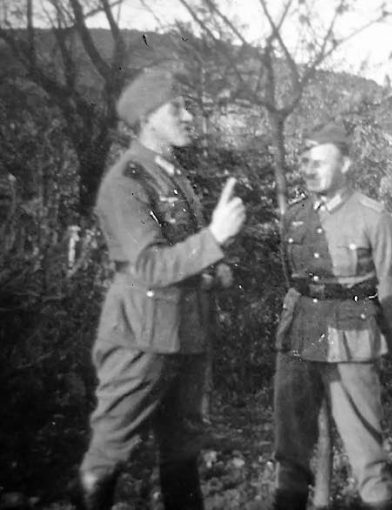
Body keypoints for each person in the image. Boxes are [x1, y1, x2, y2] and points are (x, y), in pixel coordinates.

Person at [74, 69, 246, 510]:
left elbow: (181, 255)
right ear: (148, 118)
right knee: (110, 448)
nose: (189, 116)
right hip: (140, 340)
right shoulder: (126, 182)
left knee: (182, 447)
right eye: (177, 108)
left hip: (187, 334)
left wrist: (215, 269)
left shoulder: (172, 175)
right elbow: (149, 264)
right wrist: (214, 240)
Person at [258, 122, 392, 510]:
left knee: (365, 451)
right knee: (289, 449)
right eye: (305, 162)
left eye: (319, 162)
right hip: (298, 337)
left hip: (353, 340)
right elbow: (291, 277)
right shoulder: (294, 216)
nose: (310, 170)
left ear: (346, 163)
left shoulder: (373, 217)